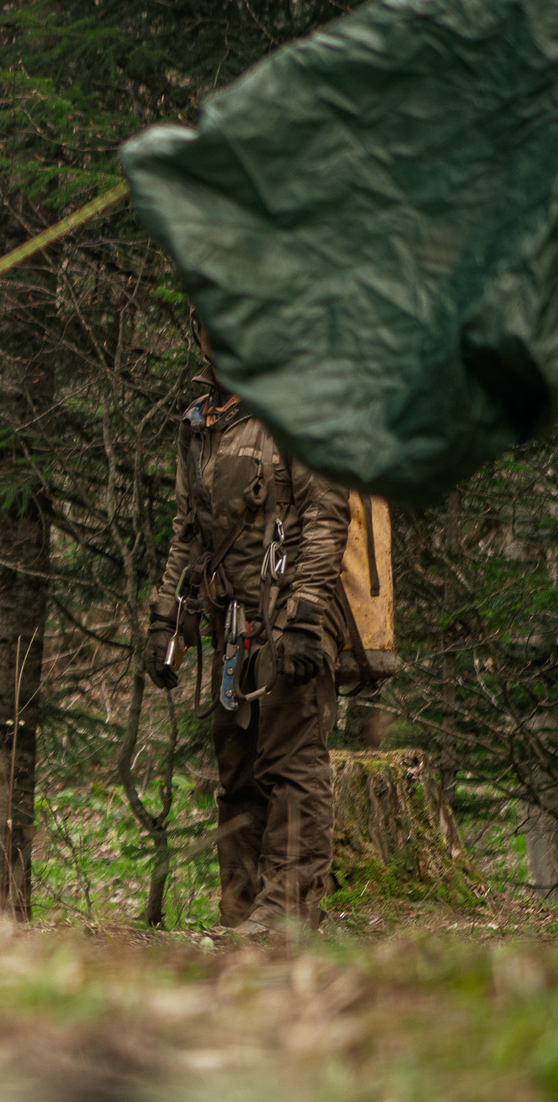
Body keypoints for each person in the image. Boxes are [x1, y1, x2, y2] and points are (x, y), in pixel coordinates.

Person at [144, 327, 350, 937]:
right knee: (235, 773)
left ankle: (287, 915)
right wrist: (166, 617)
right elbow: (188, 530)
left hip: (289, 619)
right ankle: (240, 912)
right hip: (229, 629)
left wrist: (307, 613)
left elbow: (327, 511)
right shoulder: (200, 421)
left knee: (291, 765)